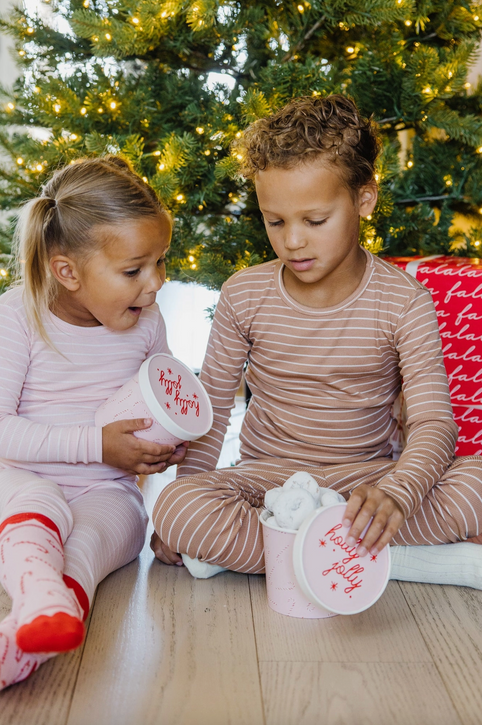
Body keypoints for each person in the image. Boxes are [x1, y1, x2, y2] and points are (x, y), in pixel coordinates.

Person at [151, 94, 482, 589]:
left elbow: (434, 421)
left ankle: (279, 551)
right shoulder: (243, 294)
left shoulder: (403, 300)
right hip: (270, 484)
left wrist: (397, 493)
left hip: (367, 482)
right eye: (275, 221)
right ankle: (391, 561)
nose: (293, 241)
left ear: (363, 199)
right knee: (177, 507)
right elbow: (212, 412)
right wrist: (176, 515)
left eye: (315, 220)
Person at [0, 156, 187, 697]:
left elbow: (169, 400)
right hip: (23, 485)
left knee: (95, 541)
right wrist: (96, 444)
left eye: (161, 262)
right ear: (67, 271)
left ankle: (13, 645)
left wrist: (165, 447)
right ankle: (39, 602)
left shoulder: (149, 323)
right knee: (40, 508)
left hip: (111, 493)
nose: (155, 284)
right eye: (134, 270)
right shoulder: (18, 316)